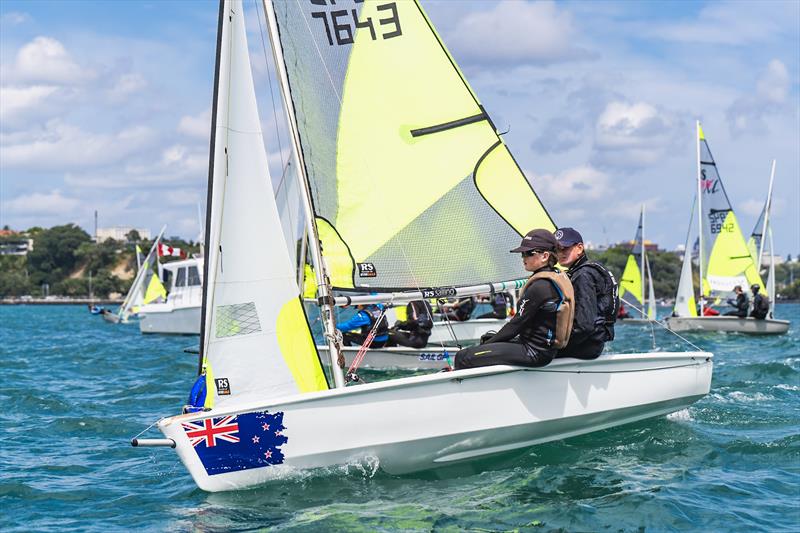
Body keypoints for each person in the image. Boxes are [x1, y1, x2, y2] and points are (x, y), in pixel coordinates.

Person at [454, 229, 573, 370]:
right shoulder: (555, 276)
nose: (523, 258)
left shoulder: (541, 286)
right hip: (540, 349)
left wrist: (486, 345)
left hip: (533, 352)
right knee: (488, 338)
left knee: (463, 357)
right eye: (522, 254)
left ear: (545, 256)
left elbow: (515, 325)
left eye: (528, 253)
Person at [554, 227, 618, 360]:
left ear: (579, 248)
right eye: (556, 249)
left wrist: (556, 344)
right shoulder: (592, 268)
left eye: (565, 248)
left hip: (585, 346)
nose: (560, 253)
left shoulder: (583, 275)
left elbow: (584, 326)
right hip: (593, 342)